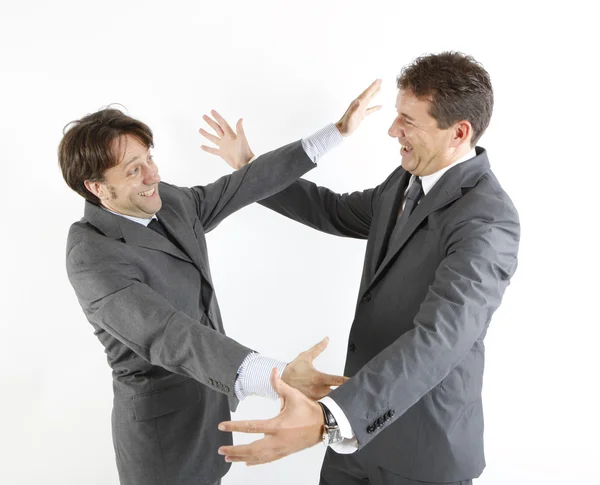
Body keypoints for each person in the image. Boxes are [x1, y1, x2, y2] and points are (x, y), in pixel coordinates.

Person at [204, 52, 520, 485]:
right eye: (396, 116)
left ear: (458, 132)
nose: (393, 131)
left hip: (420, 449)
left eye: (408, 120)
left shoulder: (487, 219)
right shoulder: (405, 180)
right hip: (355, 439)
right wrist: (250, 168)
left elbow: (441, 339)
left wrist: (328, 420)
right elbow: (332, 210)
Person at [60, 81, 381, 485]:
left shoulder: (171, 202)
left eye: (149, 158)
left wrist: (335, 133)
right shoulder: (91, 253)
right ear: (96, 187)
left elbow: (243, 185)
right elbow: (171, 335)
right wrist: (276, 377)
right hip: (164, 439)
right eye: (134, 169)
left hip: (211, 411)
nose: (153, 174)